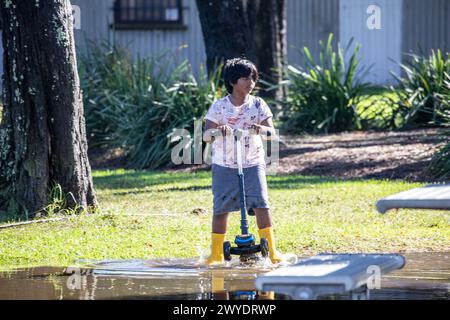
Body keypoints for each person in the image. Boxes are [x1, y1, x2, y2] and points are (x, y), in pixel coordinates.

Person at [203, 58, 285, 265]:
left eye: (253, 78)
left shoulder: (258, 104)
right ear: (232, 81)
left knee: (261, 204)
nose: (251, 82)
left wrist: (260, 129)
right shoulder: (219, 106)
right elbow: (205, 135)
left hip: (253, 162)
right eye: (245, 78)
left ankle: (272, 251)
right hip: (224, 164)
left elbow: (271, 133)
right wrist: (218, 130)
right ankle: (216, 254)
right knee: (221, 207)